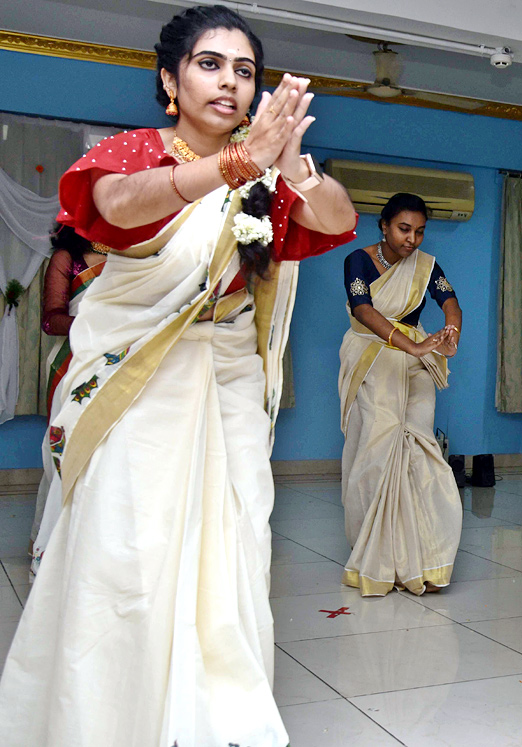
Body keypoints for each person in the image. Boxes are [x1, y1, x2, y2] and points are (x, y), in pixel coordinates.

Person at [0, 6, 357, 745]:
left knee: (228, 548)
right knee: (127, 550)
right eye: (209, 63)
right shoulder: (134, 153)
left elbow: (335, 218)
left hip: (224, 381)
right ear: (170, 80)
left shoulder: (267, 173)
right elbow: (113, 205)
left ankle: (209, 720)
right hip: (138, 383)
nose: (229, 81)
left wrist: (289, 164)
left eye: (245, 70)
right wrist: (236, 163)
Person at [338, 192, 462, 596]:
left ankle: (424, 555)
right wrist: (409, 345)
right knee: (379, 449)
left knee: (420, 444)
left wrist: (450, 331)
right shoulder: (358, 261)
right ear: (384, 226)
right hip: (374, 356)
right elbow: (362, 308)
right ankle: (376, 555)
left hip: (417, 359)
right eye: (404, 229)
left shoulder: (425, 266)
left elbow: (449, 300)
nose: (412, 239)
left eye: (420, 232)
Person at [29, 223, 106, 569]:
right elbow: (51, 320)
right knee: (66, 454)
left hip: (126, 361)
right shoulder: (67, 258)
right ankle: (56, 551)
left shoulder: (135, 253)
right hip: (73, 366)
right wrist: (100, 324)